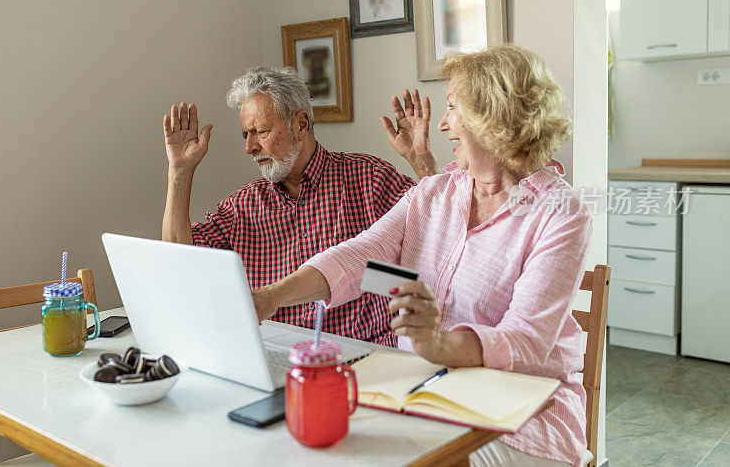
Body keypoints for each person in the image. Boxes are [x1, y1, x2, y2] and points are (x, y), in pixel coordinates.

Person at [253, 45, 591, 467]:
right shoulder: (435, 192)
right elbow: (360, 255)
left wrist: (437, 343)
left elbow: (524, 341)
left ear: (493, 115)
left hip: (523, 418)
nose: (444, 123)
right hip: (427, 391)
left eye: (452, 108)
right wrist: (271, 297)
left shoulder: (560, 211)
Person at [161, 66, 435, 345]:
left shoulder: (370, 180)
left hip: (366, 354)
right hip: (281, 357)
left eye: (260, 131)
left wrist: (422, 160)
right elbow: (179, 261)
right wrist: (179, 171)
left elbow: (445, 232)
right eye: (245, 134)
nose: (250, 147)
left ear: (301, 125)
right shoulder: (242, 207)